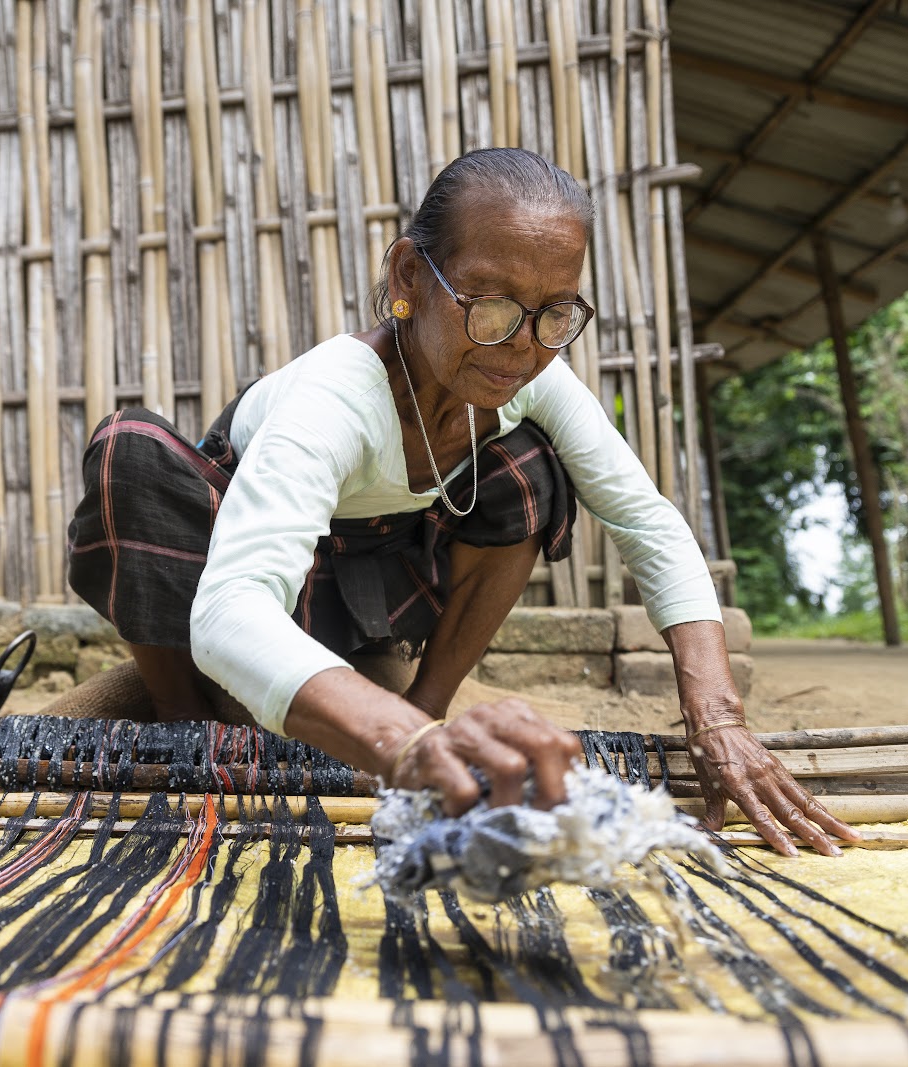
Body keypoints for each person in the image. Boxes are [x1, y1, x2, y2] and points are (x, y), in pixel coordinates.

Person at [68, 147, 857, 857]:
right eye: (490, 302)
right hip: (238, 590)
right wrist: (402, 743)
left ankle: (430, 703)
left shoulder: (534, 373)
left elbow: (646, 521)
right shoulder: (335, 396)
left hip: (374, 595)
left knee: (532, 468)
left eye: (555, 313)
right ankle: (186, 730)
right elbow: (232, 610)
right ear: (411, 278)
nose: (522, 343)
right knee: (128, 451)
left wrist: (718, 718)